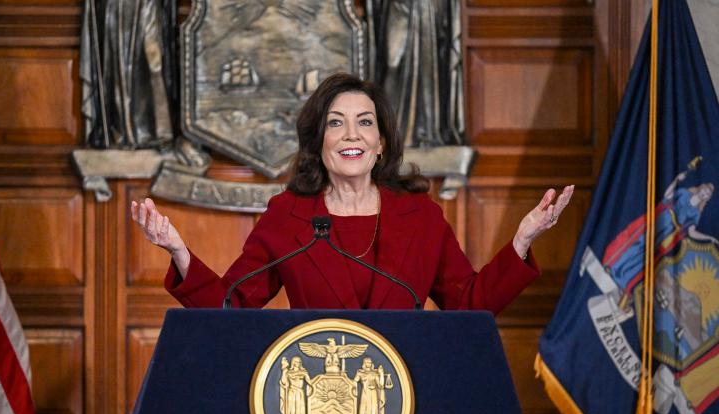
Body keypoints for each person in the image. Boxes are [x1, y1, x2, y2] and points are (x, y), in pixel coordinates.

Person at [130, 73, 574, 312]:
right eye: (335, 122)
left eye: (365, 122)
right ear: (318, 141)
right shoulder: (287, 216)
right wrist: (178, 252)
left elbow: (469, 305)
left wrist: (521, 242)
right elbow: (232, 305)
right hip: (316, 402)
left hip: (405, 390)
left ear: (381, 143)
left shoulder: (420, 217)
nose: (351, 134)